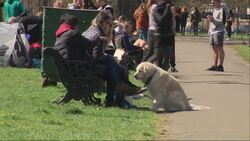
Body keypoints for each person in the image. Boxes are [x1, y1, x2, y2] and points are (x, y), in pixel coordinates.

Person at [54, 13, 139, 108]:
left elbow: (86, 50)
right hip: (79, 68)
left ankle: (120, 92)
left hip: (74, 67)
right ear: (102, 23)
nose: (111, 27)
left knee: (113, 64)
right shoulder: (73, 33)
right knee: (113, 67)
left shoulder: (63, 34)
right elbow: (90, 46)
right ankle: (118, 97)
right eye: (109, 24)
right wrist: (99, 39)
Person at [146, 0, 174, 71]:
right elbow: (160, 20)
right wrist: (167, 9)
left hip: (168, 35)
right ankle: (144, 68)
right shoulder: (155, 8)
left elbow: (170, 20)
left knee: (168, 56)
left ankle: (164, 74)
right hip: (159, 35)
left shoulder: (168, 7)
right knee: (156, 55)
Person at [207, 0, 226, 72]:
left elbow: (222, 21)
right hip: (212, 31)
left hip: (219, 31)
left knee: (220, 48)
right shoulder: (214, 10)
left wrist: (213, 20)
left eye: (213, 2)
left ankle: (221, 66)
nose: (212, 4)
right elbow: (213, 20)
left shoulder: (222, 10)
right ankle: (215, 65)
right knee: (214, 48)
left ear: (218, 1)